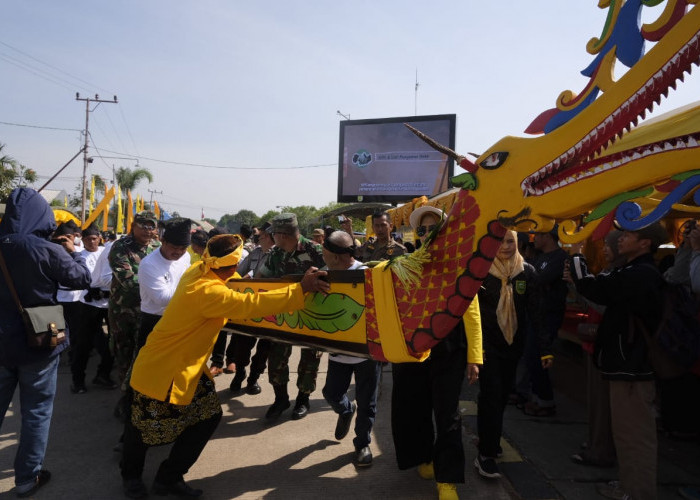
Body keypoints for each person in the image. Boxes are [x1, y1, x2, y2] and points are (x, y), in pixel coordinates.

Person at [120, 234, 330, 498]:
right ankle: (131, 478)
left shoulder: (200, 269)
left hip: (189, 368)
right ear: (233, 264)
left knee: (207, 417)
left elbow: (240, 287)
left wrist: (272, 284)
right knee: (143, 429)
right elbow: (250, 303)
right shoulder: (209, 291)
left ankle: (169, 477)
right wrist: (301, 289)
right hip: (164, 369)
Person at [0, 188, 91, 497]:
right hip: (39, 340)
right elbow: (81, 279)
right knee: (36, 411)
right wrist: (73, 251)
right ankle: (26, 479)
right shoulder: (45, 248)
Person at [568, 223, 667, 500]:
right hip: (626, 365)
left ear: (645, 243)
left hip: (633, 368)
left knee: (634, 436)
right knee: (626, 435)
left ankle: (637, 493)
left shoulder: (641, 274)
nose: (621, 239)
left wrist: (577, 255)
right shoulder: (634, 271)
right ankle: (628, 485)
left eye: (627, 235)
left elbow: (594, 288)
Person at [391, 206, 483, 500]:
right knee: (413, 408)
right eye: (422, 229)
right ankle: (426, 458)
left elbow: (472, 311)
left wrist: (475, 357)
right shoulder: (404, 263)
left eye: (433, 228)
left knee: (447, 414)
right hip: (412, 349)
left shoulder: (460, 264)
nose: (427, 234)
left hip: (449, 350)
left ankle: (448, 479)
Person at [475, 229, 546, 480]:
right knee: (492, 394)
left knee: (502, 395)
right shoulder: (480, 271)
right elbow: (471, 313)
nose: (504, 246)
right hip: (486, 347)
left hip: (514, 346)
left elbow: (536, 313)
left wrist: (544, 349)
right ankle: (486, 454)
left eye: (510, 241)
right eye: (499, 241)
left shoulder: (528, 272)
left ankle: (488, 438)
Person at [320, 230, 382, 467]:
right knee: (331, 393)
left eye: (325, 252)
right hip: (339, 352)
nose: (322, 256)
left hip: (366, 354)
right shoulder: (324, 274)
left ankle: (362, 444)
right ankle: (346, 410)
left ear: (336, 255)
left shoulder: (367, 275)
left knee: (368, 403)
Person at [258, 212, 326, 420]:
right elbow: (261, 277)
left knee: (310, 358)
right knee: (277, 356)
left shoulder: (316, 250)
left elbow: (332, 279)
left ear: (283, 234)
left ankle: (303, 400)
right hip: (283, 314)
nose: (272, 238)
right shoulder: (275, 253)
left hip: (312, 314)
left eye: (274, 234)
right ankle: (281, 399)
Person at [568, 230, 625, 468]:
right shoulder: (609, 272)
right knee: (596, 402)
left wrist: (580, 285)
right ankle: (595, 441)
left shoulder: (621, 275)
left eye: (610, 244)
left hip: (606, 346)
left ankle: (601, 449)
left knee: (603, 404)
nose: (605, 249)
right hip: (595, 344)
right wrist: (576, 287)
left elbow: (603, 306)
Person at [108, 211, 160, 420]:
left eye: (151, 226)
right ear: (133, 225)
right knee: (125, 356)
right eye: (143, 225)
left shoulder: (157, 248)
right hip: (125, 312)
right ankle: (125, 400)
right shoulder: (121, 247)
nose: (147, 230)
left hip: (150, 312)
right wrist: (161, 290)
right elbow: (127, 281)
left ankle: (140, 398)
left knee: (145, 357)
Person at [519, 226, 567, 417]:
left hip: (549, 315)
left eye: (537, 235)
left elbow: (538, 280)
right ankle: (535, 397)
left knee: (537, 356)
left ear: (548, 236)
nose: (534, 238)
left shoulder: (560, 257)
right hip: (534, 314)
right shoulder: (539, 257)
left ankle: (546, 401)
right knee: (530, 356)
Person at [227, 222, 275, 395]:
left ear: (269, 237)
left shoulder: (278, 256)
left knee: (264, 349)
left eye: (261, 236)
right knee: (242, 345)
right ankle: (240, 373)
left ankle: (253, 378)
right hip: (248, 307)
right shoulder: (254, 253)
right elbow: (239, 272)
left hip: (268, 308)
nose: (258, 238)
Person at [71, 224, 117, 394]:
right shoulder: (80, 256)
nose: (92, 241)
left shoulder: (107, 251)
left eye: (95, 238)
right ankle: (78, 380)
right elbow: (83, 276)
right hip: (90, 304)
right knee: (83, 344)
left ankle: (103, 374)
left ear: (100, 238)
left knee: (113, 343)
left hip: (108, 304)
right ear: (82, 240)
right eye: (88, 239)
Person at [136, 218, 191, 351]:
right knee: (148, 366)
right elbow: (162, 299)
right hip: (154, 321)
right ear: (163, 242)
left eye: (183, 248)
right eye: (174, 247)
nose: (178, 252)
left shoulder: (185, 256)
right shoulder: (149, 264)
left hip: (178, 318)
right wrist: (193, 286)